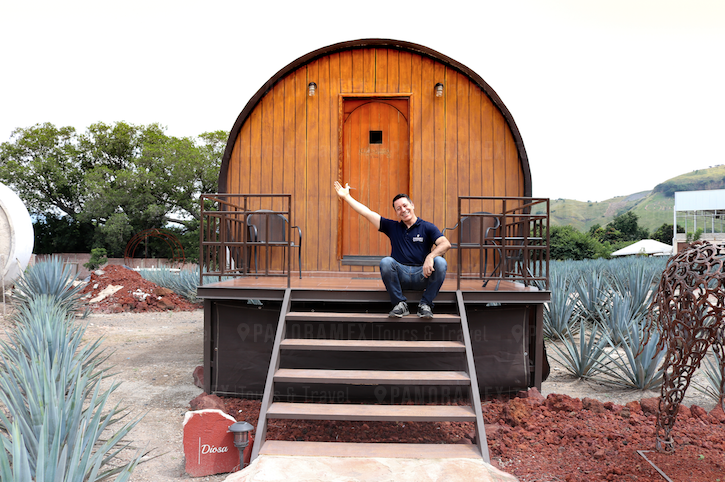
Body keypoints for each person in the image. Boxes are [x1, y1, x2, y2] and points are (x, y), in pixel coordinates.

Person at [334, 181, 451, 318]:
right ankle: (400, 304)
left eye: (405, 205)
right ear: (396, 212)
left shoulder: (427, 227)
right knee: (386, 262)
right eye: (398, 208)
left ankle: (425, 304)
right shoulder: (392, 227)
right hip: (400, 276)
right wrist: (347, 197)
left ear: (412, 205)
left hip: (423, 275)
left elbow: (445, 243)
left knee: (441, 263)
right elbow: (367, 212)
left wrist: (430, 257)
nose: (403, 210)